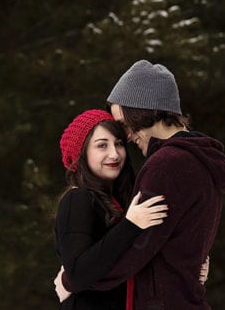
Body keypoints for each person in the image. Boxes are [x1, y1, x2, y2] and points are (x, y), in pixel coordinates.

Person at [56, 60, 225, 309]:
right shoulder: (201, 160)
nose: (126, 137)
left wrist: (71, 280)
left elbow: (137, 250)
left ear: (141, 109)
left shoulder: (166, 164)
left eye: (124, 124)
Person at [54, 108, 170, 309]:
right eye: (102, 146)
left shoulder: (124, 200)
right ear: (82, 153)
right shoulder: (78, 198)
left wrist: (191, 262)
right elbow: (78, 274)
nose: (114, 154)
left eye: (118, 144)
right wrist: (130, 225)